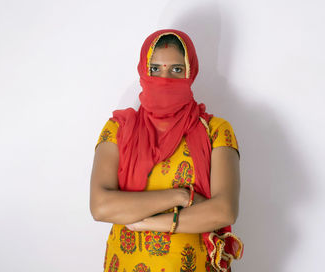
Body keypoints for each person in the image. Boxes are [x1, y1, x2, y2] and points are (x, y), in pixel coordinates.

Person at [90, 29, 243, 272]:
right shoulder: (118, 130)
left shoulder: (215, 131)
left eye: (176, 69)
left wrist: (149, 222)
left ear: (190, 72)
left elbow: (224, 211)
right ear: (143, 70)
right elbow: (101, 207)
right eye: (155, 69)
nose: (165, 78)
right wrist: (180, 196)